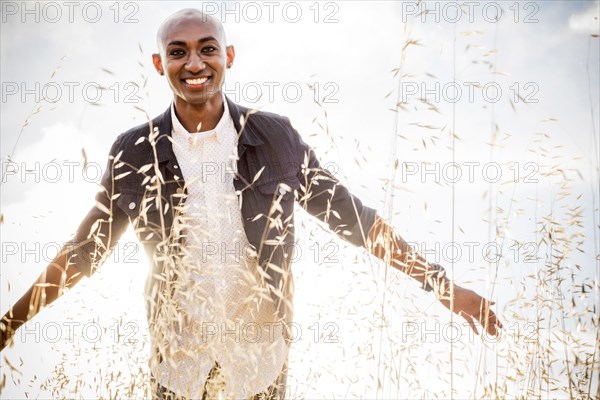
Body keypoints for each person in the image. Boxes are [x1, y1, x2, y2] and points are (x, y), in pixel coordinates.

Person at [0, 8, 502, 399]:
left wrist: (441, 286)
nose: (194, 63)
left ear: (228, 57)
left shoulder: (275, 137)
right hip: (178, 365)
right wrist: (9, 325)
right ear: (160, 64)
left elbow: (354, 219)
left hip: (261, 363)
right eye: (178, 52)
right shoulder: (134, 150)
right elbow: (83, 252)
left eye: (207, 49)